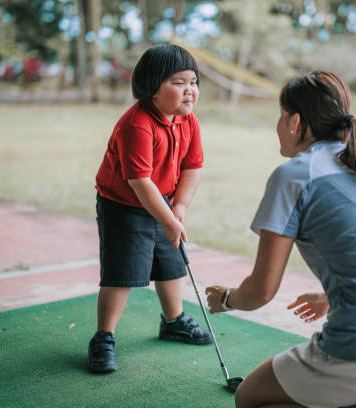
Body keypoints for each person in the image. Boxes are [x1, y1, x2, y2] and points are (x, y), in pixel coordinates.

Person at [205, 71, 356, 408]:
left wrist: (228, 299)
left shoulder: (294, 175)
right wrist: (329, 295)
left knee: (249, 399)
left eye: (280, 115)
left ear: (294, 121)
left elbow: (262, 291)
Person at [88, 44, 212, 374]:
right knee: (122, 272)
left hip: (165, 201)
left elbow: (193, 167)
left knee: (171, 264)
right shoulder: (137, 124)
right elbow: (139, 181)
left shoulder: (189, 122)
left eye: (193, 82)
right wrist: (169, 218)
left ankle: (173, 321)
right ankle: (104, 337)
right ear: (151, 89)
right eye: (178, 82)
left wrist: (180, 206)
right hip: (123, 205)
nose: (189, 90)